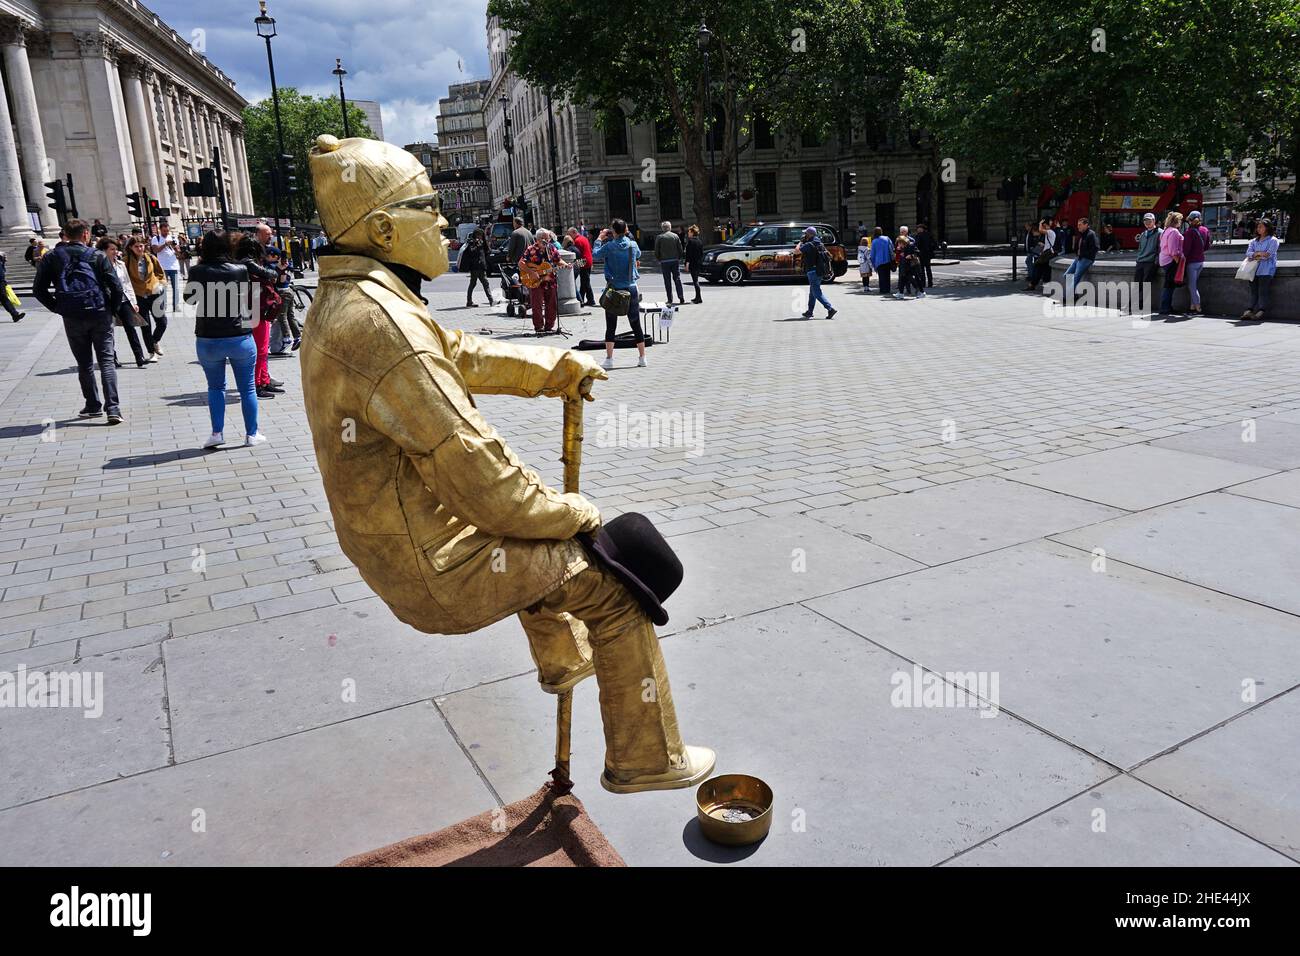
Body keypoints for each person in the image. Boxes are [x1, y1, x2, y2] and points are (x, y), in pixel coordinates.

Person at [302, 134, 713, 793]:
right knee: (611, 586)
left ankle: (563, 658)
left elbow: (459, 352)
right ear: (381, 228)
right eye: (427, 207)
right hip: (435, 567)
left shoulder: (362, 300)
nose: (443, 220)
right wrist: (571, 514)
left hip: (404, 543)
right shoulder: (382, 326)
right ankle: (646, 759)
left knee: (541, 538)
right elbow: (480, 477)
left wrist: (554, 369)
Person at [32, 218, 125, 425]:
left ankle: (92, 405)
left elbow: (38, 290)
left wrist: (57, 308)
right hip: (100, 313)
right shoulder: (97, 255)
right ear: (85, 235)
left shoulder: (52, 257)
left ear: (65, 235)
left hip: (72, 316)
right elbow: (116, 287)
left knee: (84, 363)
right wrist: (112, 309)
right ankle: (113, 408)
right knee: (106, 361)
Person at [185, 230, 263, 448]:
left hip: (208, 336)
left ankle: (217, 433)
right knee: (247, 388)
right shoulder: (239, 269)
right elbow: (247, 294)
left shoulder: (197, 270)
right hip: (238, 334)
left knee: (215, 387)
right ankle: (251, 434)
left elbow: (190, 300)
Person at [234, 233, 285, 398]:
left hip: (252, 307)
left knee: (261, 349)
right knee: (260, 349)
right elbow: (270, 274)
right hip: (255, 308)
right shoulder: (248, 263)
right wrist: (274, 272)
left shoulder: (239, 262)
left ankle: (263, 380)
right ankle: (258, 383)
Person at [593, 219, 648, 368]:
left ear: (613, 231)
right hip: (631, 288)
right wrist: (627, 235)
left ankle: (609, 359)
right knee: (635, 323)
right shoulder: (633, 244)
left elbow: (595, 255)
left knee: (611, 325)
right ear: (626, 230)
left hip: (615, 288)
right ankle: (642, 358)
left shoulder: (609, 246)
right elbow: (639, 255)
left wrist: (599, 239)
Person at [97, 238, 150, 368]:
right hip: (108, 301)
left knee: (130, 328)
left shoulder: (120, 264)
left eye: (116, 249)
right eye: (112, 249)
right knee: (108, 331)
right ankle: (112, 358)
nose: (115, 252)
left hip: (124, 299)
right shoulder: (98, 265)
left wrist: (133, 301)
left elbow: (127, 283)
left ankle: (139, 357)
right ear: (104, 251)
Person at [124, 234, 166, 360]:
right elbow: (124, 278)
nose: (139, 249)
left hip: (154, 293)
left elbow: (160, 273)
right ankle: (151, 352)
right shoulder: (126, 261)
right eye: (136, 246)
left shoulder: (151, 258)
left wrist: (160, 283)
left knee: (162, 322)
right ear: (131, 247)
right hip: (138, 295)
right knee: (145, 325)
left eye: (141, 246)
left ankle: (155, 341)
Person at [520, 228, 562, 333]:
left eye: (548, 238)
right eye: (545, 239)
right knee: (537, 305)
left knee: (552, 304)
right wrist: (531, 272)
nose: (548, 241)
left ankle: (549, 326)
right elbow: (521, 263)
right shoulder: (531, 249)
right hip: (536, 282)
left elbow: (558, 260)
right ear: (538, 239)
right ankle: (539, 327)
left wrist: (567, 265)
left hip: (550, 281)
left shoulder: (551, 248)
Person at [1242, 219, 1279, 321]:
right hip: (1253, 270)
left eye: (1261, 227)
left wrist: (1256, 254)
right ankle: (1249, 310)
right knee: (1254, 291)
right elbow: (1248, 253)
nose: (1258, 229)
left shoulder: (1273, 240)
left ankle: (1261, 311)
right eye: (1258, 227)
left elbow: (1268, 255)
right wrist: (1259, 254)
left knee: (1263, 291)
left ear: (1267, 228)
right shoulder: (1254, 241)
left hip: (1266, 270)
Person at [267, 247, 301, 352]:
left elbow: (279, 281)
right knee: (290, 316)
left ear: (274, 256)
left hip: (283, 292)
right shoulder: (278, 266)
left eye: (268, 255)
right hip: (288, 291)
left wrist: (281, 270)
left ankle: (287, 338)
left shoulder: (274, 266)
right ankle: (297, 337)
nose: (266, 257)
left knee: (282, 316)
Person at [799, 225, 837, 318]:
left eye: (806, 233)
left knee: (816, 292)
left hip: (812, 271)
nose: (804, 235)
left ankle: (830, 309)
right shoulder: (819, 242)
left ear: (809, 234)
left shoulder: (809, 244)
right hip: (820, 270)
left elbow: (797, 251)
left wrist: (800, 242)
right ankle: (810, 311)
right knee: (813, 292)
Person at [1062, 217, 1098, 306]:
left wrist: (1085, 255)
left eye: (1080, 225)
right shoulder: (1082, 234)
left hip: (1086, 259)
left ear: (1086, 225)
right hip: (1078, 258)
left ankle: (1067, 297)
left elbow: (1096, 248)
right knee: (1067, 275)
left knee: (1075, 277)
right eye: (1078, 225)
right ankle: (1074, 295)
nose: (1078, 227)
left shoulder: (1091, 234)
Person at [1181, 209, 1211, 314]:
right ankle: (1192, 307)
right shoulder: (1205, 230)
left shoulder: (1189, 232)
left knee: (1192, 286)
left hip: (1192, 262)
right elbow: (1207, 246)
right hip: (1200, 261)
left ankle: (1198, 307)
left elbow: (1186, 250)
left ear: (1189, 220)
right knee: (1193, 284)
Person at [457, 228, 495, 307]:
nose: (479, 236)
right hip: (474, 267)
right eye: (477, 235)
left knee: (485, 283)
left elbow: (487, 251)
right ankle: (469, 301)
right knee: (473, 284)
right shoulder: (471, 242)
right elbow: (471, 252)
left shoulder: (483, 242)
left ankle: (491, 301)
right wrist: (476, 244)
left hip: (481, 267)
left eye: (480, 235)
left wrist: (486, 244)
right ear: (474, 235)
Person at [1132, 213, 1162, 313]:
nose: (1147, 223)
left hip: (1150, 262)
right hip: (1140, 261)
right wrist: (1138, 259)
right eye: (1145, 221)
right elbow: (1140, 248)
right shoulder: (1143, 234)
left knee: (1146, 284)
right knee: (1137, 284)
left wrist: (1156, 262)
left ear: (1154, 221)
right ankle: (1133, 304)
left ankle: (1141, 305)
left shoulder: (1159, 233)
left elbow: (1160, 249)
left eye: (1150, 221)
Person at [150, 221, 181, 313]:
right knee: (163, 287)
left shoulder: (173, 238)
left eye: (167, 231)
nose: (166, 233)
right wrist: (165, 244)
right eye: (164, 231)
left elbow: (178, 252)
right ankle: (164, 305)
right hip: (162, 267)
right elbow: (155, 250)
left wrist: (175, 247)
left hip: (174, 266)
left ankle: (176, 306)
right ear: (160, 230)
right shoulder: (156, 238)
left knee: (176, 287)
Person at [1157, 211, 1184, 315]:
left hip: (1164, 260)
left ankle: (1166, 307)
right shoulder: (1174, 232)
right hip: (1170, 261)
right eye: (1180, 220)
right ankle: (1165, 308)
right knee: (1169, 286)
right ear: (1177, 221)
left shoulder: (1166, 231)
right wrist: (1178, 263)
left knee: (1169, 285)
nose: (1181, 222)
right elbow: (1173, 251)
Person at [653, 221, 686, 305]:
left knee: (667, 281)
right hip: (674, 260)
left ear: (662, 228)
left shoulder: (659, 237)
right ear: (670, 227)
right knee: (677, 279)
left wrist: (659, 258)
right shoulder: (675, 236)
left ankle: (670, 299)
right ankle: (681, 296)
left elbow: (656, 251)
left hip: (664, 261)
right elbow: (680, 248)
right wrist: (678, 257)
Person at [566, 226, 595, 306]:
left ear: (574, 232)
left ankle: (589, 300)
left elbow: (577, 254)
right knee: (584, 282)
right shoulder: (584, 238)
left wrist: (574, 265)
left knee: (585, 282)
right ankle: (584, 299)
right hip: (588, 260)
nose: (569, 236)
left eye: (570, 234)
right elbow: (590, 249)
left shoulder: (577, 241)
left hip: (583, 261)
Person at [870, 226, 894, 296]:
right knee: (887, 275)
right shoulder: (887, 238)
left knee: (881, 277)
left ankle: (882, 289)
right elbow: (892, 248)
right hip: (888, 260)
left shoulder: (874, 241)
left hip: (879, 261)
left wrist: (873, 264)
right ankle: (888, 289)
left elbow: (872, 254)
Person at [0, 251, 24, 321]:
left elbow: (2, 273)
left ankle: (15, 315)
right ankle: (15, 315)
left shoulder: (1, 263)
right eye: (4, 257)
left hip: (1, 283)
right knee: (4, 299)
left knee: (4, 299)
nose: (5, 258)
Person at [683, 224, 704, 304]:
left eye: (689, 232)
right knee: (696, 280)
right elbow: (701, 253)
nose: (688, 233)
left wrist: (687, 264)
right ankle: (697, 297)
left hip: (693, 263)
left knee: (695, 281)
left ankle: (699, 298)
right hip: (698, 263)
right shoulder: (699, 241)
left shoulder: (690, 242)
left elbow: (688, 254)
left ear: (692, 232)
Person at [914, 222, 936, 288]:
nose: (917, 229)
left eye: (919, 228)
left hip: (921, 254)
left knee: (922, 270)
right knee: (928, 269)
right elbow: (934, 244)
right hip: (928, 254)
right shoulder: (929, 235)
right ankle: (930, 283)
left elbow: (917, 245)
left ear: (922, 229)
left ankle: (923, 283)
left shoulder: (918, 236)